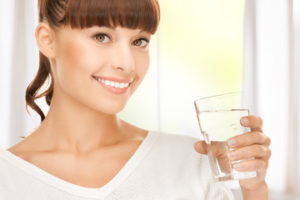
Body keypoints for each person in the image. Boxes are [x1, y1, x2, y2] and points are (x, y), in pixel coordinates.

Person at [0, 0, 271, 199]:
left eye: (139, 41)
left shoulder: (190, 163)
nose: (127, 64)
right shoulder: (7, 180)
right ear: (47, 40)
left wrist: (254, 189)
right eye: (102, 36)